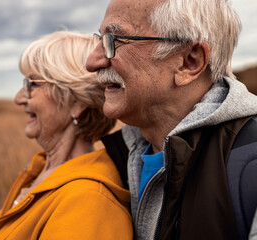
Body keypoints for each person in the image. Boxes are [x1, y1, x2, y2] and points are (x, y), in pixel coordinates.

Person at [86, 0, 257, 239]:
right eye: (100, 40)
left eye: (114, 41)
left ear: (190, 61)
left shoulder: (250, 165)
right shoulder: (113, 158)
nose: (92, 62)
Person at [0, 31, 133, 240]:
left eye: (33, 84)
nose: (18, 98)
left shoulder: (87, 200)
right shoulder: (40, 173)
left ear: (77, 103)